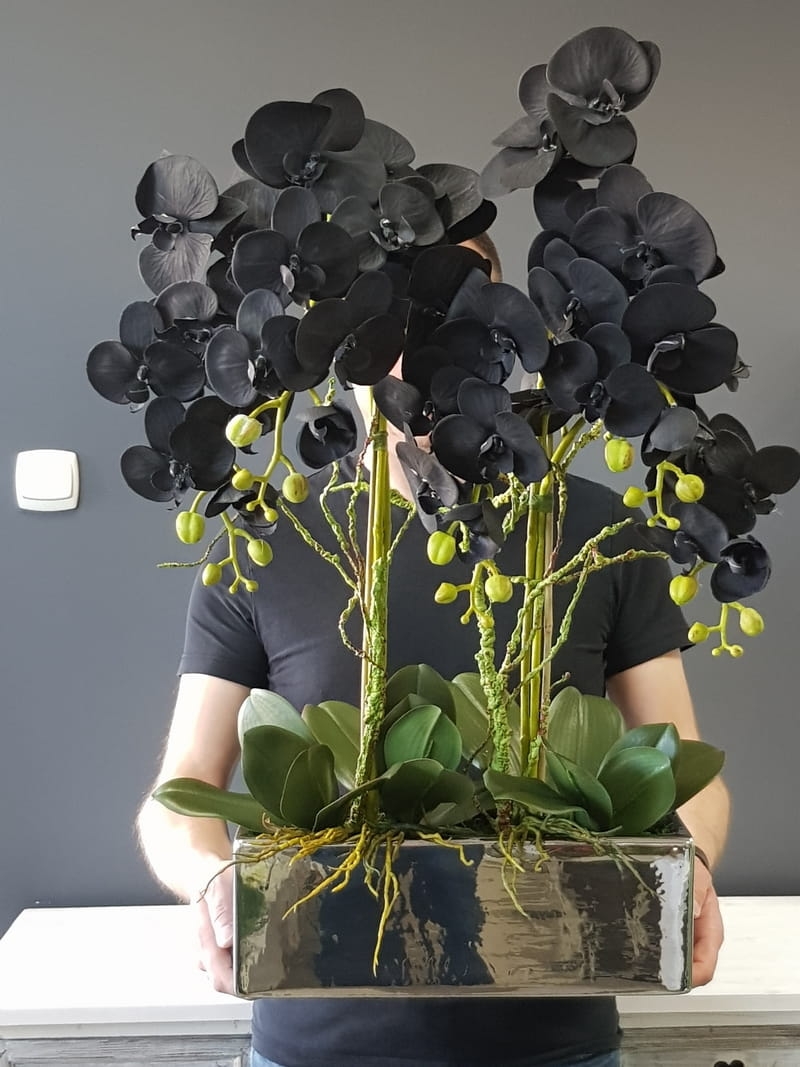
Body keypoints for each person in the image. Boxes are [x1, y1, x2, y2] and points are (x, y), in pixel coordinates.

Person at [136, 237, 729, 1067]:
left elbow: (686, 768)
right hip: (316, 1039)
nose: (418, 344)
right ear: (339, 334)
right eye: (389, 310)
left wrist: (689, 870)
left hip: (555, 1036)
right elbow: (179, 793)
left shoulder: (599, 528)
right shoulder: (263, 539)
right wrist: (212, 883)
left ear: (509, 338)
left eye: (454, 311)